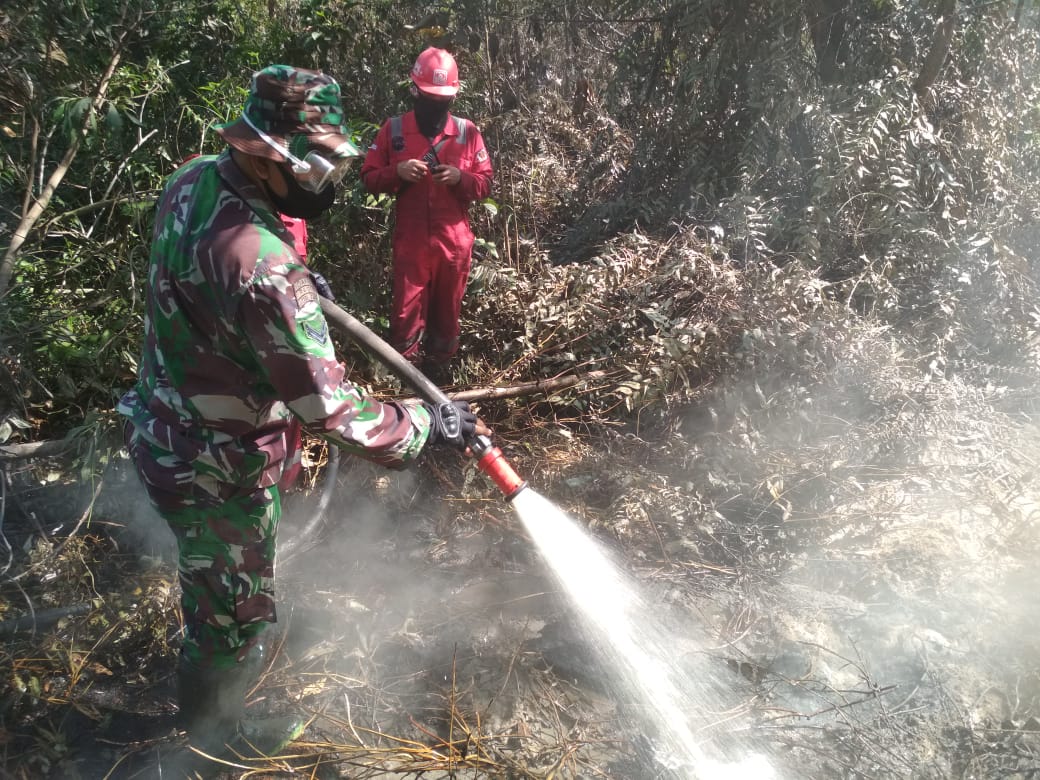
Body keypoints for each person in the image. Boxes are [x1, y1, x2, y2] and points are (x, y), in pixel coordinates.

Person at [117, 64, 486, 761]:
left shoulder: (196, 179)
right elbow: (332, 411)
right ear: (267, 158)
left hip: (163, 428)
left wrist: (283, 267)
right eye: (312, 167)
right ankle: (208, 744)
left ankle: (204, 718)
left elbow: (211, 277)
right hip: (215, 467)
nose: (326, 183)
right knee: (230, 618)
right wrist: (423, 430)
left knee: (209, 593)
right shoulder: (265, 275)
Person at [361, 47, 494, 376]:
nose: (436, 104)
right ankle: (407, 386)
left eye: (442, 98)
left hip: (454, 243)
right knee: (405, 314)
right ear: (414, 90)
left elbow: (485, 183)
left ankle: (440, 383)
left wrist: (460, 178)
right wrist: (397, 172)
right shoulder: (393, 131)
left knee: (447, 315)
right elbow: (368, 177)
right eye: (429, 96)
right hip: (413, 242)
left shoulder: (468, 133)